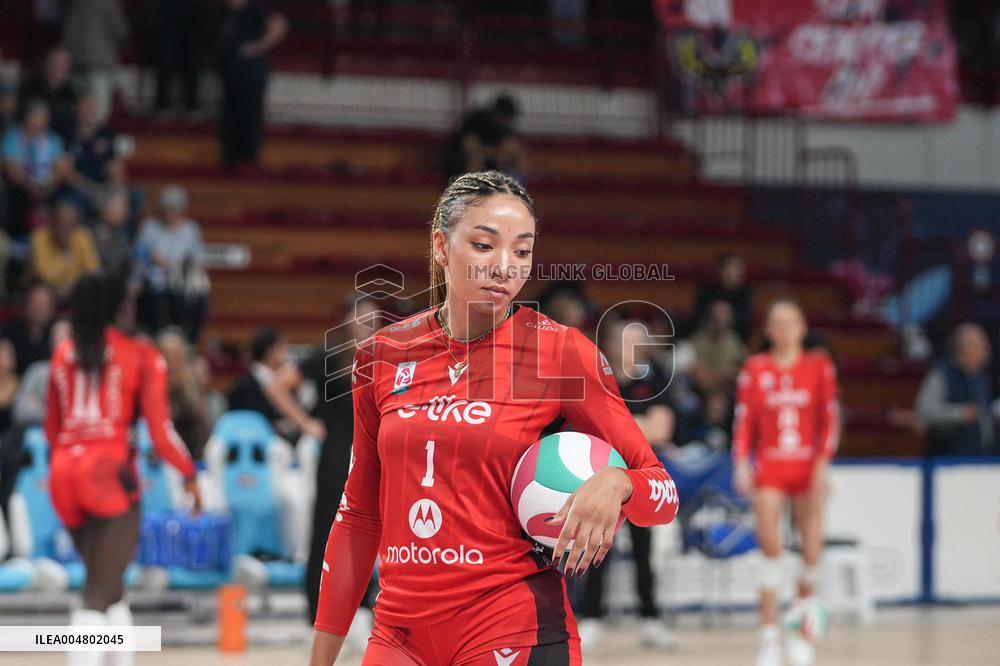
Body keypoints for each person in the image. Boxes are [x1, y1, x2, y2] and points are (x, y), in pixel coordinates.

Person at [309, 171, 680, 665]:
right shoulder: (384, 354)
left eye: (522, 252)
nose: (505, 266)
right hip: (397, 635)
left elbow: (663, 494)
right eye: (484, 246)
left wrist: (618, 483)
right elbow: (358, 515)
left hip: (512, 625)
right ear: (441, 247)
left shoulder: (561, 352)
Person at [45, 271, 200, 666]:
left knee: (109, 585)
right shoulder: (140, 354)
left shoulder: (62, 353)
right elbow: (161, 433)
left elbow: (51, 428)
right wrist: (189, 474)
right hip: (107, 473)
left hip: (63, 472)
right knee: (97, 593)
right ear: (119, 307)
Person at [266, 292, 380, 640]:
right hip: (334, 458)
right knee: (328, 533)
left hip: (371, 458)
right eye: (362, 316)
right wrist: (305, 422)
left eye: (373, 318)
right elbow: (276, 386)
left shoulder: (383, 358)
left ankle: (362, 609)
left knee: (368, 534)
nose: (369, 324)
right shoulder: (327, 357)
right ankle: (316, 611)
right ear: (347, 319)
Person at [732, 299, 839, 666]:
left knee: (811, 553)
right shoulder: (754, 368)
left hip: (808, 467)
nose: (785, 329)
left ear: (803, 328)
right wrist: (741, 463)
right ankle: (768, 637)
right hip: (770, 468)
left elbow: (830, 419)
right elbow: (743, 420)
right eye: (778, 323)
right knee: (770, 550)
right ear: (768, 331)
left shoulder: (819, 367)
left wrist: (823, 465)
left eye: (792, 322)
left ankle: (801, 631)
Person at [578, 319, 677, 650]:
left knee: (643, 551)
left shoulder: (655, 380)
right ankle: (590, 618)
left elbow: (661, 429)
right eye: (625, 340)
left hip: (641, 478)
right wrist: (638, 425)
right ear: (610, 344)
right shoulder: (597, 381)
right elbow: (589, 430)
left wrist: (616, 429)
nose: (632, 347)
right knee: (596, 549)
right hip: (600, 476)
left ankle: (650, 619)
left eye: (638, 340)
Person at [217, 0, 288, 168]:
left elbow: (280, 26)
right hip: (229, 76)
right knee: (229, 122)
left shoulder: (256, 10)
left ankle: (249, 163)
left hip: (250, 77)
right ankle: (230, 161)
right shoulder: (224, 11)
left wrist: (258, 46)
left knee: (248, 120)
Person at [136, 185, 208, 342]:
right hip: (156, 278)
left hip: (181, 277)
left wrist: (178, 264)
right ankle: (155, 336)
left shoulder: (191, 229)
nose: (171, 213)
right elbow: (140, 256)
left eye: (175, 209)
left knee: (198, 293)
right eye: (167, 208)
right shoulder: (150, 228)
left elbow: (198, 258)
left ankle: (188, 340)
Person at [915, 322, 996, 456]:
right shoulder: (942, 374)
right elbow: (924, 411)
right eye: (982, 347)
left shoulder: (982, 377)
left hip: (982, 459)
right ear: (966, 349)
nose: (987, 352)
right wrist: (959, 414)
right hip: (949, 462)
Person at [2, 98, 71, 237]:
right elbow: (11, 169)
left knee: (65, 201)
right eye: (42, 116)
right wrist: (32, 187)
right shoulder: (13, 138)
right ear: (29, 117)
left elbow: (61, 167)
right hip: (21, 190)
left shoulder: (53, 139)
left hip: (48, 189)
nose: (47, 119)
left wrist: (49, 184)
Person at [62, 0, 130, 124]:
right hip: (99, 64)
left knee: (78, 108)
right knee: (98, 113)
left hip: (75, 61)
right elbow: (120, 31)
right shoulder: (109, 2)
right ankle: (93, 141)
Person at [29, 198, 100, 299]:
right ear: (52, 224)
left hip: (76, 291)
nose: (66, 231)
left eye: (70, 226)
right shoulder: (39, 237)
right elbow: (45, 276)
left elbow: (93, 271)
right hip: (43, 291)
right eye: (61, 225)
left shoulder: (82, 235)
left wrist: (72, 287)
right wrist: (66, 253)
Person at [157, 327, 210, 459]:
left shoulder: (191, 387)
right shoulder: (154, 388)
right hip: (161, 456)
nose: (172, 361)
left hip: (190, 454)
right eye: (168, 355)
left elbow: (201, 426)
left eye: (176, 355)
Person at [444, 93, 524, 178]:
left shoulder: (504, 129)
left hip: (487, 162)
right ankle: (471, 189)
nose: (507, 122)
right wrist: (492, 152)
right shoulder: (477, 120)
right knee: (477, 159)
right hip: (460, 159)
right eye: (506, 118)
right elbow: (470, 147)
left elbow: (508, 148)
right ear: (498, 114)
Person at [226, 327, 288, 428]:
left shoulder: (283, 381)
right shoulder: (242, 386)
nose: (285, 352)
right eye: (282, 347)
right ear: (270, 350)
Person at [152, 0, 204, 118]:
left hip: (192, 26)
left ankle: (191, 104)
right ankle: (162, 104)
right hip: (168, 25)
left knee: (192, 66)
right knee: (165, 65)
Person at [17, 47, 77, 141]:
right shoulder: (31, 86)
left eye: (64, 63)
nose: (60, 66)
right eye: (56, 62)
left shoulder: (70, 92)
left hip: (60, 142)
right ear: (47, 62)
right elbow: (23, 117)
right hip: (30, 138)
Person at [690, 299, 747, 397]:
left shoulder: (734, 341)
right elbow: (702, 380)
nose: (722, 319)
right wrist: (726, 374)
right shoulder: (698, 341)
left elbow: (744, 371)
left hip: (728, 394)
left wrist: (719, 375)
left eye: (725, 315)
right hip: (702, 394)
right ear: (710, 318)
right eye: (717, 316)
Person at [692, 253, 753, 342]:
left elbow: (745, 322)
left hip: (734, 339)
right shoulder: (706, 290)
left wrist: (728, 317)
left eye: (739, 267)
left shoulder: (745, 293)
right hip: (707, 335)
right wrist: (714, 317)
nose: (737, 271)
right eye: (732, 266)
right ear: (721, 270)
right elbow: (697, 318)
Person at [3, 282, 56, 376]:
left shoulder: (57, 331)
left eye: (43, 304)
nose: (39, 308)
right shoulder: (10, 331)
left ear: (52, 307)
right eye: (35, 303)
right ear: (26, 305)